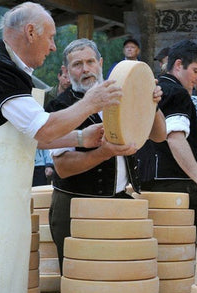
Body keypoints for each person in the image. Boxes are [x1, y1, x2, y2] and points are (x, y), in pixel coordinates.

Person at [0, 3, 126, 293]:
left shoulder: (11, 72)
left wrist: (82, 138)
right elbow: (42, 127)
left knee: (7, 279)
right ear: (30, 32)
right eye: (51, 37)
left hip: (2, 194)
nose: (54, 46)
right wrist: (90, 103)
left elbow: (33, 136)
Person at [46, 38, 165, 271]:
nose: (85, 69)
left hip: (118, 200)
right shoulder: (60, 107)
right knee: (81, 280)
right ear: (66, 72)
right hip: (74, 206)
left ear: (100, 63)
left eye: (90, 61)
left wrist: (153, 103)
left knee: (119, 276)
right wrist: (104, 152)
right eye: (77, 64)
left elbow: (160, 136)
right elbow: (63, 166)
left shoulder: (120, 95)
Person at [137, 40, 197, 225]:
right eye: (196, 71)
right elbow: (175, 139)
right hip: (179, 183)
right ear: (178, 65)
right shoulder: (178, 93)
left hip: (146, 182)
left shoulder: (152, 90)